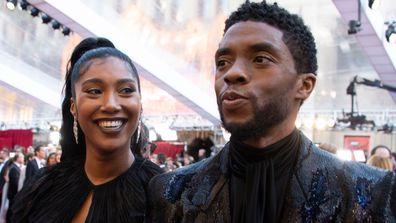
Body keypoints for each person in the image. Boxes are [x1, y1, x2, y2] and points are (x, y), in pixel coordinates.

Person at [147, 1, 396, 222]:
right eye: (223, 62)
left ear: (304, 85)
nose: (232, 73)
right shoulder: (171, 193)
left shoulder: (372, 192)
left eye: (261, 59)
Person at [11, 37, 162, 223]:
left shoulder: (166, 196)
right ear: (73, 107)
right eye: (94, 91)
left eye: (125, 90)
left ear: (139, 102)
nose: (111, 105)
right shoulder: (42, 190)